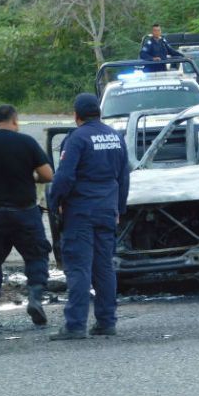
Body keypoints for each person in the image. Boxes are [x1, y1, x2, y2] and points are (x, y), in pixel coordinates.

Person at [48, 93, 130, 340]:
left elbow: (65, 177)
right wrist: (119, 209)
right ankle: (106, 321)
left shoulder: (76, 139)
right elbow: (123, 177)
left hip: (81, 211)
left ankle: (75, 325)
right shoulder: (116, 137)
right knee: (104, 266)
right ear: (99, 112)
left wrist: (55, 202)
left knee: (79, 267)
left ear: (76, 115)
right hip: (107, 210)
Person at [0, 105, 54, 328]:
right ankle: (34, 297)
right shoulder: (26, 143)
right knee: (36, 255)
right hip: (24, 212)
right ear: (15, 121)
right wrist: (28, 177)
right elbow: (47, 175)